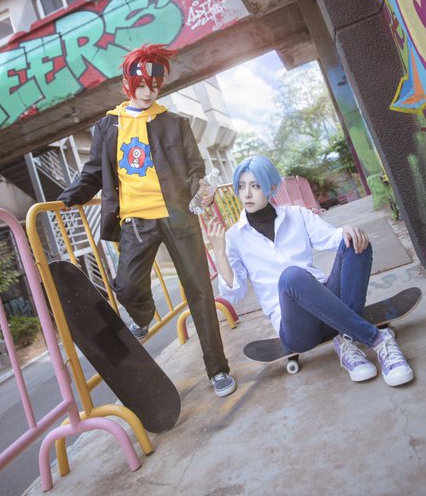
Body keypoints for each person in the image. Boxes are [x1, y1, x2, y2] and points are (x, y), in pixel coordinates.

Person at [58, 44, 236, 398]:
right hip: (135, 221)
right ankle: (142, 315)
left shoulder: (175, 123)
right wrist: (69, 197)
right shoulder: (108, 126)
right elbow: (93, 172)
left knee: (199, 291)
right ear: (129, 83)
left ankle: (217, 369)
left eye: (154, 85)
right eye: (142, 84)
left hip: (178, 217)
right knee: (125, 285)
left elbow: (195, 168)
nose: (149, 91)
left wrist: (201, 190)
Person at [207, 155, 413, 387]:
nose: (246, 194)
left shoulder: (296, 215)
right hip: (298, 328)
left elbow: (332, 238)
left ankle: (346, 341)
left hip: (329, 306)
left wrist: (348, 230)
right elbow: (234, 294)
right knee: (291, 276)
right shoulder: (235, 237)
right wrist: (220, 253)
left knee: (355, 242)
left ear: (271, 187)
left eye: (255, 186)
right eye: (241, 186)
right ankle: (377, 340)